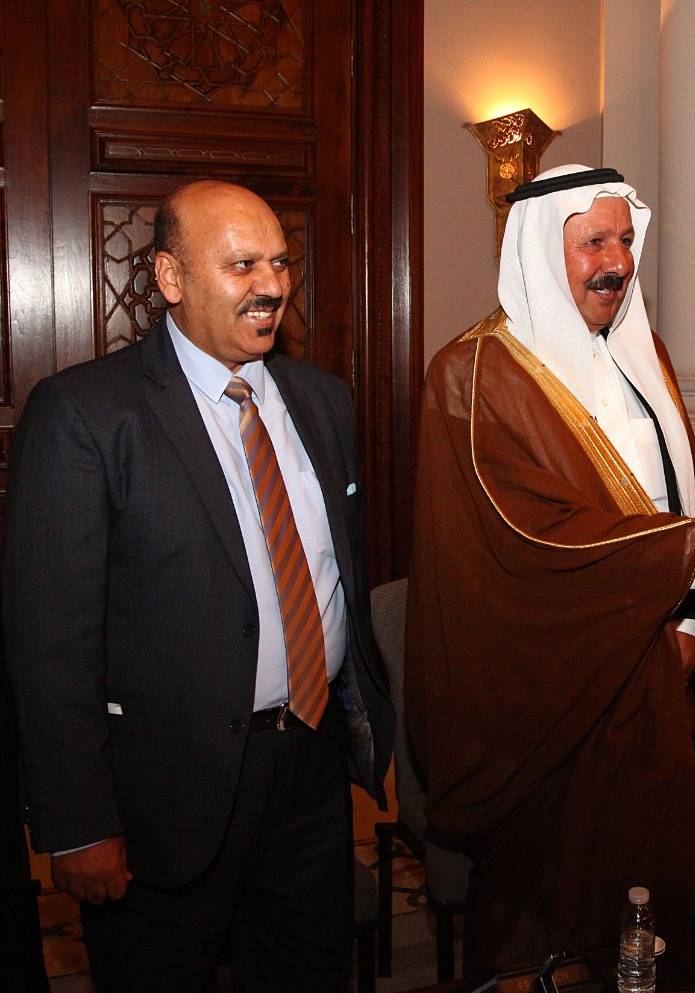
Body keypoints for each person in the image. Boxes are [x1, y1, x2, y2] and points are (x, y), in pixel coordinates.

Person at [3, 180, 393, 992]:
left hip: (310, 771)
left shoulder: (323, 400)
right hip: (164, 794)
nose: (272, 285)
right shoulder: (85, 414)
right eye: (242, 265)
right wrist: (79, 823)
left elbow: (339, 576)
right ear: (171, 277)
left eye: (280, 262)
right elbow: (49, 640)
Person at [406, 164, 695, 971]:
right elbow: (525, 542)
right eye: (593, 242)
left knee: (654, 900)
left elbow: (680, 490)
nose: (616, 261)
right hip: (549, 698)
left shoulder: (648, 356)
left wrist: (688, 622)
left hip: (656, 685)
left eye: (625, 240)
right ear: (544, 251)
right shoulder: (472, 375)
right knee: (553, 918)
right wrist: (692, 551)